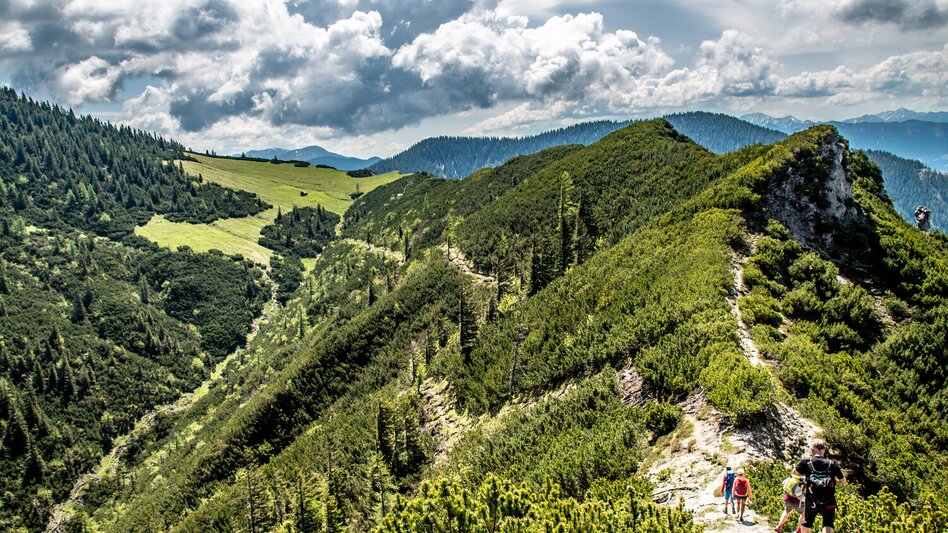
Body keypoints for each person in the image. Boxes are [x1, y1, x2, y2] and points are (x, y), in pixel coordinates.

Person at [793, 440, 846, 533]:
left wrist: (806, 474)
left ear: (812, 449)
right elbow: (843, 482)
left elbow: (795, 473)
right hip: (829, 500)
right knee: (828, 524)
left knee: (807, 522)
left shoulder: (807, 462)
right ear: (824, 449)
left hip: (811, 499)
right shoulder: (832, 464)